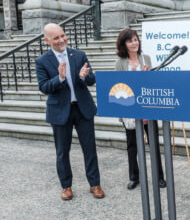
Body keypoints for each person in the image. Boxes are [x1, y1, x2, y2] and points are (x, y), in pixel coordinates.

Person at [35, 23, 104, 200]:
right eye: (56, 37)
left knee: (90, 148)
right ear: (47, 40)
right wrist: (60, 78)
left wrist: (83, 76)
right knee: (62, 152)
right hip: (59, 111)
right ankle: (66, 186)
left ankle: (94, 184)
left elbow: (91, 79)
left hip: (83, 109)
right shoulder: (42, 61)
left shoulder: (79, 55)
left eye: (62, 35)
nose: (61, 40)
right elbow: (44, 87)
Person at [114, 28, 166, 190]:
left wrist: (146, 77)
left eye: (136, 39)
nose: (134, 43)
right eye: (130, 41)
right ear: (124, 44)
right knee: (132, 145)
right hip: (129, 108)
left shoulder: (147, 59)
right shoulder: (120, 63)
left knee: (153, 143)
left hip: (147, 107)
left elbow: (151, 84)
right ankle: (134, 177)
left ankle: (159, 177)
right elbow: (120, 86)